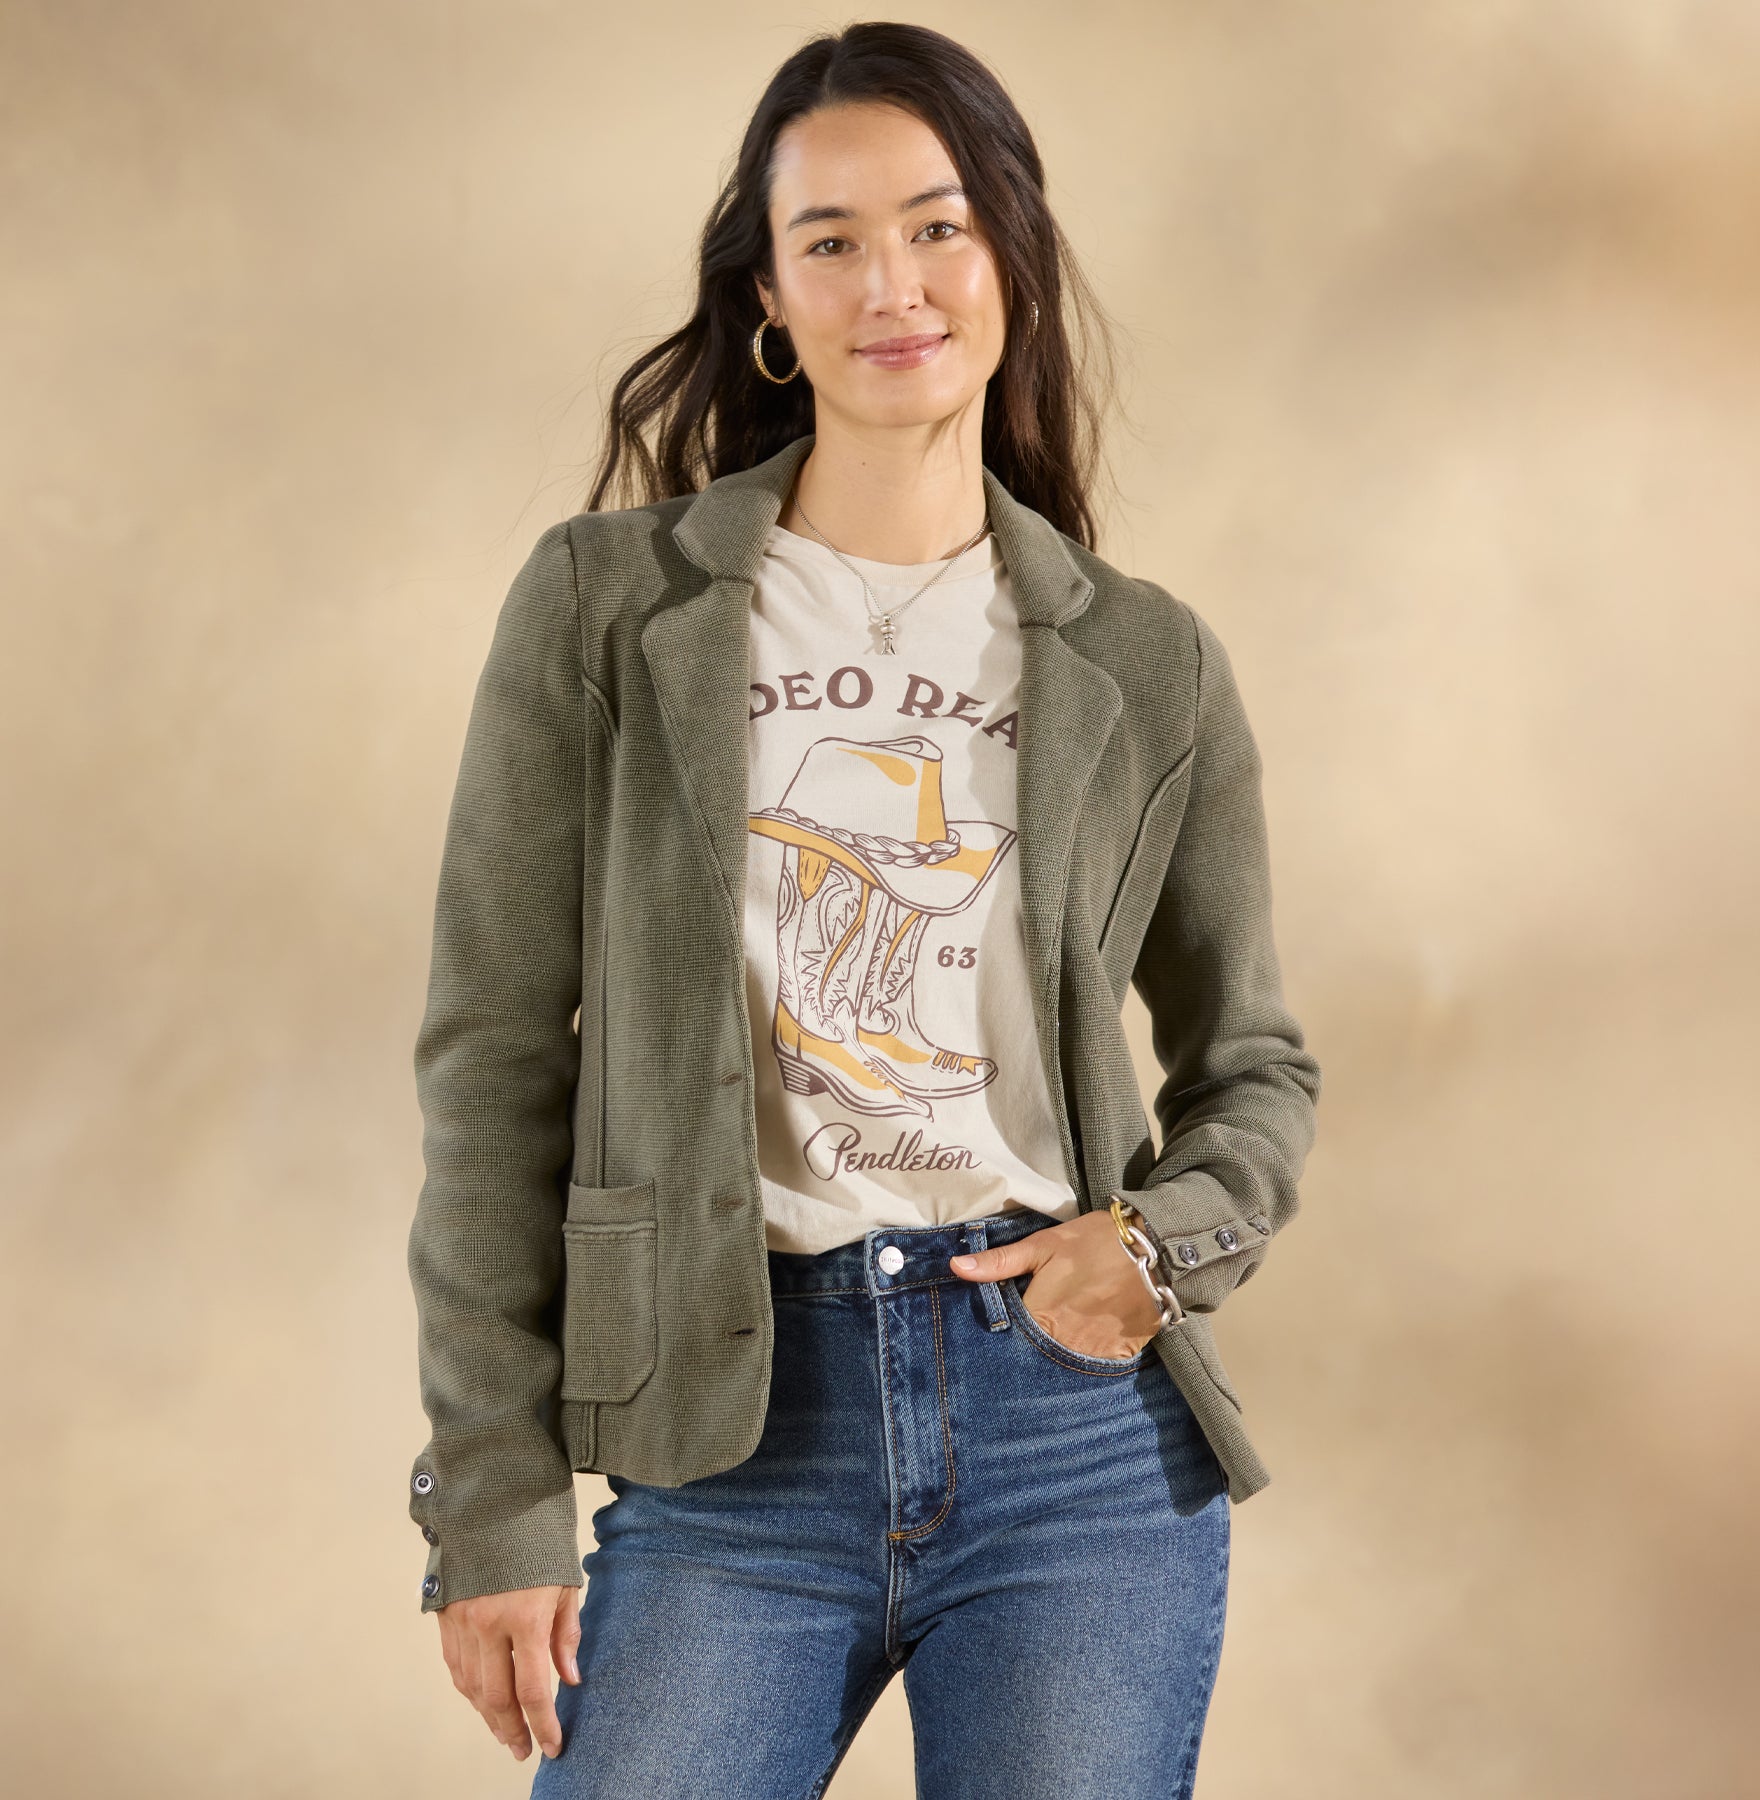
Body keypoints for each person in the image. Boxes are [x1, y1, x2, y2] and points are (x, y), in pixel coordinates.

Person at [404, 22, 1321, 1798]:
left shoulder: (1149, 664)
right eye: (830, 239)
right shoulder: (607, 610)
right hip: (728, 1432)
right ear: (770, 295)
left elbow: (1254, 1064)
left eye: (937, 227)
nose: (890, 283)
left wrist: (1156, 1252)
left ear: (1010, 260)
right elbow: (494, 1054)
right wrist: (492, 1491)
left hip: (1072, 1442)